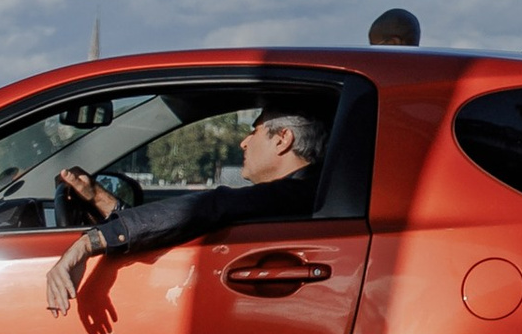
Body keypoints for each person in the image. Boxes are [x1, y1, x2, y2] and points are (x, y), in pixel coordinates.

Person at [45, 103, 329, 316]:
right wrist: (98, 198)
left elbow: (209, 206)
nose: (243, 142)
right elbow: (174, 227)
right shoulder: (305, 195)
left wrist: (88, 242)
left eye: (254, 131)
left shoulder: (295, 193)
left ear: (283, 139)